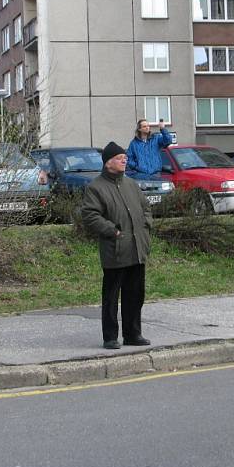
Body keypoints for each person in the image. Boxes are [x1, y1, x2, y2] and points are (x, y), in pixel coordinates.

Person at [81, 141, 152, 349]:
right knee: (112, 297)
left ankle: (133, 334)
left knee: (135, 295)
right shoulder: (96, 187)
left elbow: (145, 207)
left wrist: (146, 226)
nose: (124, 160)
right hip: (115, 250)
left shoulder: (131, 184)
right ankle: (110, 337)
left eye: (125, 158)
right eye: (120, 158)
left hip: (137, 248)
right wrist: (113, 231)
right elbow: (90, 215)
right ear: (107, 163)